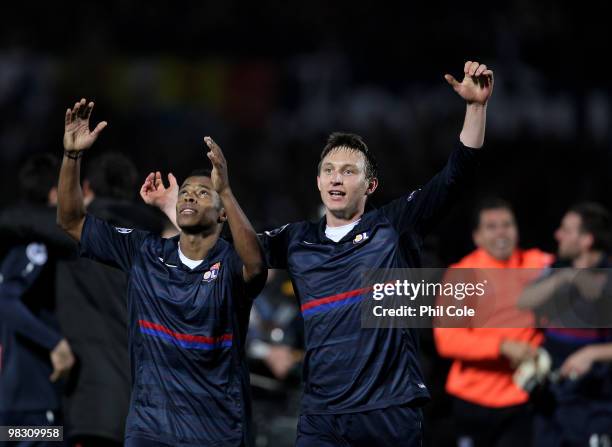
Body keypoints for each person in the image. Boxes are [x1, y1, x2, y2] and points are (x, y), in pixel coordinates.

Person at [146, 60, 494, 446]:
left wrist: (475, 108)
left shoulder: (395, 225)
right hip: (320, 416)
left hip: (389, 409)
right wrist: (186, 209)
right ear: (317, 181)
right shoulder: (298, 239)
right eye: (328, 170)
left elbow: (455, 176)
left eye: (348, 171)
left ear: (370, 184)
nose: (336, 178)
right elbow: (237, 252)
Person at [57, 98, 267, 446]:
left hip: (216, 432)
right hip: (150, 429)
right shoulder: (144, 252)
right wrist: (72, 156)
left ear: (222, 214)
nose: (189, 198)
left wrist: (225, 189)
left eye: (202, 194)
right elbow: (70, 220)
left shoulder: (230, 264)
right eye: (184, 193)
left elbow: (255, 265)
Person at [56, 152, 164, 447]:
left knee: (14, 433)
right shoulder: (159, 244)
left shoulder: (67, 238)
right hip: (149, 406)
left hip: (87, 406)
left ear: (87, 188)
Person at [434, 198, 553, 447]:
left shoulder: (538, 264)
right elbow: (448, 341)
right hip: (473, 400)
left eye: (507, 224)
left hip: (522, 399)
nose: (501, 232)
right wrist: (503, 347)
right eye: (491, 226)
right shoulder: (462, 274)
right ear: (477, 237)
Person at [519, 203, 612, 446]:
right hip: (552, 404)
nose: (557, 235)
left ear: (586, 240)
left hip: (594, 407)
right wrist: (567, 277)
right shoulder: (557, 269)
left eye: (566, 230)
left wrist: (592, 354)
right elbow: (523, 301)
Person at [0, 153, 76, 444]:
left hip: (17, 399)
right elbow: (5, 298)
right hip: (34, 402)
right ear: (56, 192)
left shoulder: (14, 237)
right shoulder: (36, 245)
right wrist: (55, 343)